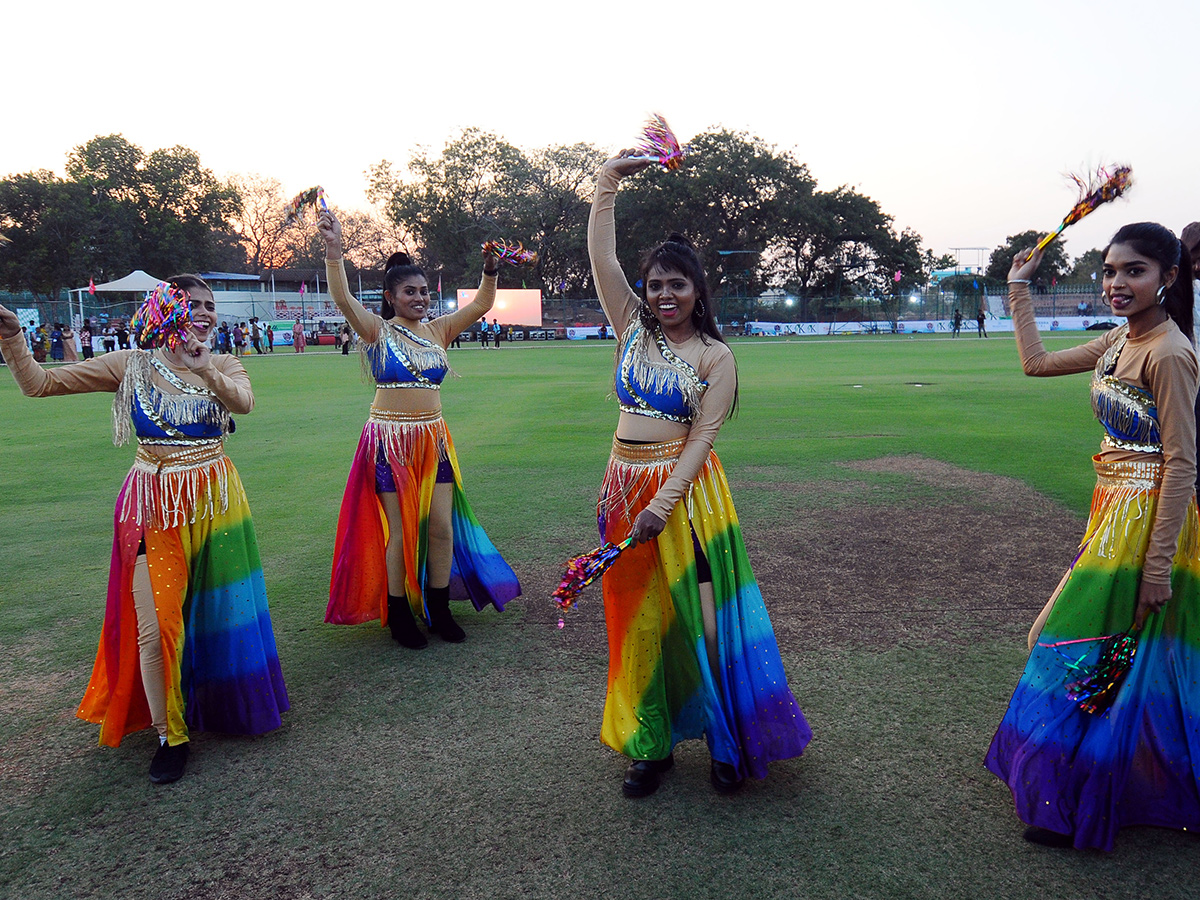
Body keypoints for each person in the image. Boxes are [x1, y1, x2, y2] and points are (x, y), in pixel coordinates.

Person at [0, 276, 288, 785]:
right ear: (164, 310)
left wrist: (206, 368)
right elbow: (40, 384)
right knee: (156, 628)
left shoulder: (223, 363)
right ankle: (169, 735)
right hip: (151, 505)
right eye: (192, 304)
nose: (204, 313)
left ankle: (221, 703)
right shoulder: (131, 364)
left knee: (225, 612)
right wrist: (12, 338)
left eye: (210, 305)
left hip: (216, 502)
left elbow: (244, 402)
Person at [586, 150, 811, 799]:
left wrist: (663, 504)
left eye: (677, 285)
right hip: (623, 490)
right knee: (641, 623)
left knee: (705, 621)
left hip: (687, 499)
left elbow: (702, 438)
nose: (664, 295)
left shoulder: (716, 356)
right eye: (655, 284)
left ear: (697, 291)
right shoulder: (632, 328)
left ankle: (725, 741)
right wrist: (608, 181)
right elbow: (603, 257)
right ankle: (649, 747)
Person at [986, 223, 1200, 851]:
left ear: (1168, 277)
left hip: (1146, 521)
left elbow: (1182, 464)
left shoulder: (1169, 352)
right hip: (1112, 511)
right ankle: (1091, 786)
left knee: (1073, 645)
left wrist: (1157, 568)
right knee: (1106, 656)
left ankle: (1074, 798)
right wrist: (1018, 287)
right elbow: (1036, 364)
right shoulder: (1118, 340)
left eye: (1134, 271)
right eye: (1109, 271)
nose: (1116, 283)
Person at [319, 209, 520, 647]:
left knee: (440, 527)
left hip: (433, 440)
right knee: (400, 530)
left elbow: (482, 305)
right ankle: (399, 616)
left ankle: (440, 609)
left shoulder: (439, 330)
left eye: (424, 291)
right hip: (388, 442)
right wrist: (335, 252)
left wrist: (490, 268)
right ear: (391, 297)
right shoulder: (376, 331)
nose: (420, 298)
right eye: (410, 292)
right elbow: (343, 299)